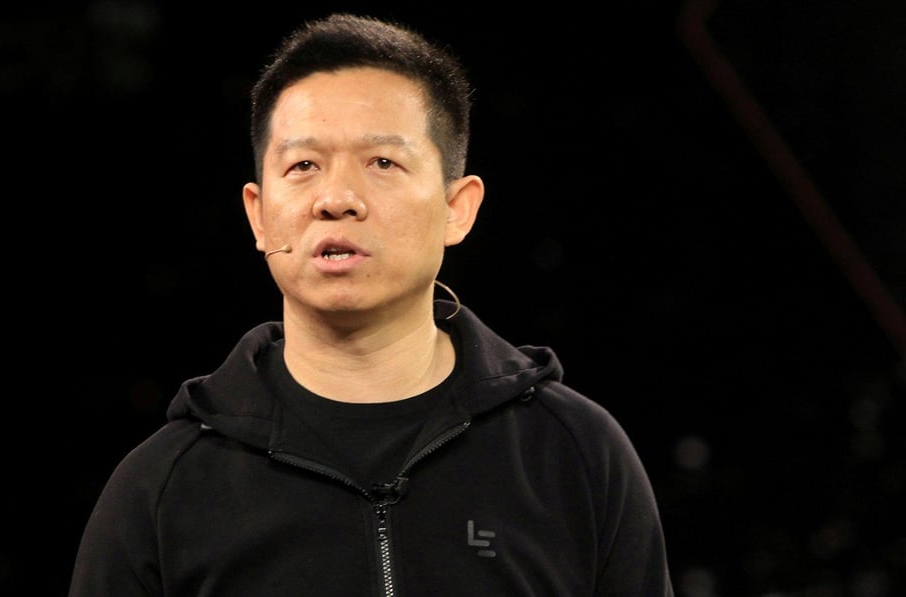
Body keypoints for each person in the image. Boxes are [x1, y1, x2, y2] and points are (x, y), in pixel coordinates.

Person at [69, 12, 674, 596]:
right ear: (257, 213)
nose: (336, 198)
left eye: (382, 162)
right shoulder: (162, 488)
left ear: (456, 208)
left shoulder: (573, 454)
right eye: (303, 165)